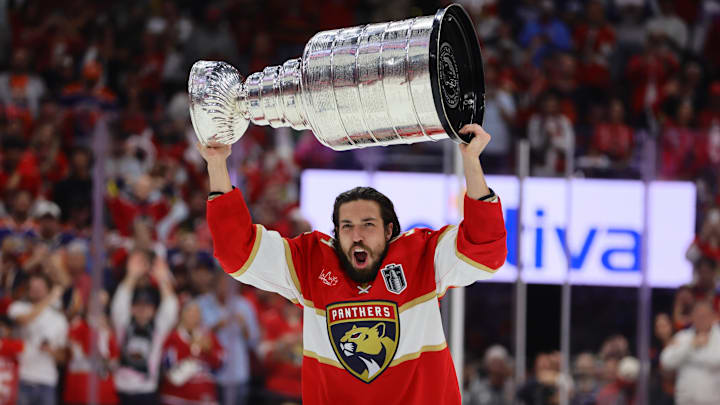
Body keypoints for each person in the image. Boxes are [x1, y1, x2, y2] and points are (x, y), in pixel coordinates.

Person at [199, 123, 507, 404]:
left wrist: (471, 161)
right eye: (347, 226)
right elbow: (237, 252)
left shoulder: (421, 256)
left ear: (389, 231)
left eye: (368, 225)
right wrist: (216, 164)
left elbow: (486, 251)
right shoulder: (310, 261)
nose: (356, 236)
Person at [111, 250, 178, 405]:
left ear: (154, 310)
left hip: (146, 393)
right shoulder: (124, 324)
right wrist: (131, 276)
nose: (142, 309)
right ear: (132, 308)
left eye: (147, 306)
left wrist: (162, 279)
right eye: (138, 305)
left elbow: (170, 307)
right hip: (120, 391)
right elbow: (119, 303)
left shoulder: (157, 329)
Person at [196, 273, 260, 405]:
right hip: (209, 372)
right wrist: (218, 325)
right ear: (214, 283)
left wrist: (244, 327)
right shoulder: (202, 303)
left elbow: (253, 341)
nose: (226, 287)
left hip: (237, 370)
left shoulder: (244, 305)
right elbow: (194, 335)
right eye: (222, 283)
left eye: (230, 284)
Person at [7, 273, 68, 405]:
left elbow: (64, 356)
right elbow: (25, 320)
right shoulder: (18, 307)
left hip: (47, 380)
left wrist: (52, 351)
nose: (35, 290)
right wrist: (49, 299)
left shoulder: (59, 319)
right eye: (32, 287)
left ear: (48, 289)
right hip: (22, 378)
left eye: (39, 287)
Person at [159, 300, 223, 405]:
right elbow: (169, 370)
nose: (193, 316)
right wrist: (190, 350)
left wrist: (209, 351)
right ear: (182, 315)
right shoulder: (173, 338)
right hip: (176, 397)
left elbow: (221, 362)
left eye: (197, 312)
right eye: (190, 312)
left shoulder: (208, 337)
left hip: (204, 397)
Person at [660, 301, 720, 405]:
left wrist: (687, 356)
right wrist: (690, 346)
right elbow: (666, 361)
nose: (701, 320)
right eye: (698, 316)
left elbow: (716, 360)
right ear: (692, 317)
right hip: (685, 401)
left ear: (713, 317)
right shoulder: (682, 337)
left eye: (704, 316)